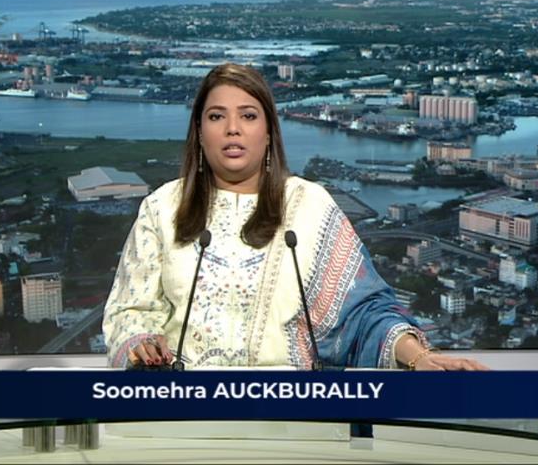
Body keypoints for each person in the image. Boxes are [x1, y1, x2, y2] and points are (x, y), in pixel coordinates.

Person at [103, 63, 487, 372]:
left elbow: (364, 313)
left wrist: (419, 357)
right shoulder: (162, 208)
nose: (233, 129)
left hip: (293, 413)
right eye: (217, 116)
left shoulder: (310, 206)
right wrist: (141, 345)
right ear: (200, 132)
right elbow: (129, 312)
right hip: (183, 415)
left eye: (248, 116)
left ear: (269, 132)